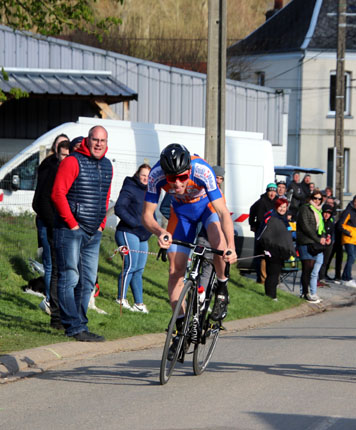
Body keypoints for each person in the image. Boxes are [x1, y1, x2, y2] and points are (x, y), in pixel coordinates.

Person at [141, 144, 237, 336]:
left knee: (218, 245)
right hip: (182, 214)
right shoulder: (156, 174)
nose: (177, 184)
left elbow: (223, 212)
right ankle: (180, 323)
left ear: (189, 171)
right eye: (171, 179)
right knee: (174, 270)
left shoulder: (202, 170)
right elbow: (147, 215)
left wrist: (231, 246)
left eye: (182, 178)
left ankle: (221, 287)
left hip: (207, 208)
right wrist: (160, 232)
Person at [51, 126, 113, 342]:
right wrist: (72, 224)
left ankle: (81, 325)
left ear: (107, 143)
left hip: (93, 232)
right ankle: (73, 327)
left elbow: (105, 197)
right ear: (87, 140)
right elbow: (57, 193)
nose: (98, 144)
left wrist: (101, 224)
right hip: (71, 230)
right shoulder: (72, 161)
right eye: (95, 139)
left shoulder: (107, 166)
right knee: (70, 277)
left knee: (87, 281)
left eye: (102, 141)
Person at [32, 134, 69, 330]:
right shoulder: (50, 168)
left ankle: (59, 308)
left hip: (57, 224)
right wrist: (54, 223)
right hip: (50, 224)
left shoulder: (62, 168)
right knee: (52, 266)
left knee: (59, 268)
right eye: (61, 153)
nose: (64, 158)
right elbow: (41, 201)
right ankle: (51, 304)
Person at [114, 163, 152, 314]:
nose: (145, 178)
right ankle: (121, 298)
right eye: (143, 175)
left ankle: (139, 303)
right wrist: (134, 223)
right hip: (128, 231)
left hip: (143, 235)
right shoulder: (130, 187)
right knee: (130, 265)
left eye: (148, 176)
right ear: (137, 174)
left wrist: (151, 229)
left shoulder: (151, 192)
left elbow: (152, 214)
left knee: (139, 269)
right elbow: (119, 208)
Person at [257, 196, 295, 300]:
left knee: (275, 274)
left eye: (284, 207)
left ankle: (272, 295)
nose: (282, 209)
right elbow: (265, 236)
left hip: (280, 252)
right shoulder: (273, 219)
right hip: (273, 251)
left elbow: (286, 236)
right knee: (272, 275)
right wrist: (267, 250)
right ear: (276, 206)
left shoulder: (284, 220)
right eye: (280, 207)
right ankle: (271, 296)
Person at [296, 190, 329, 303]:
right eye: (315, 198)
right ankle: (304, 293)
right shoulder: (305, 208)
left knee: (311, 270)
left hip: (314, 243)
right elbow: (306, 227)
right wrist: (318, 239)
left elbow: (321, 226)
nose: (317, 200)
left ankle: (308, 292)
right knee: (306, 268)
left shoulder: (319, 211)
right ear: (311, 197)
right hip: (305, 242)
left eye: (320, 199)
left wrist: (323, 237)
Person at [249, 182, 278, 283]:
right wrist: (252, 224)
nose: (272, 194)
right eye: (270, 191)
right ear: (267, 192)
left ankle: (272, 278)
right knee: (262, 254)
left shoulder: (277, 202)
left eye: (274, 192)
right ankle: (262, 279)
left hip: (274, 232)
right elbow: (255, 212)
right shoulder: (261, 202)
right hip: (262, 231)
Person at [335, 195, 356, 288]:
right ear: (353, 201)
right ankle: (347, 278)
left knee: (352, 258)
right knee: (352, 257)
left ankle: (344, 277)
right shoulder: (348, 211)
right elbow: (340, 225)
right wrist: (348, 233)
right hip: (349, 238)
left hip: (355, 239)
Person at [318, 203, 336, 282]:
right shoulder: (319, 221)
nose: (326, 215)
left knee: (325, 261)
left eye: (328, 213)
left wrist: (330, 240)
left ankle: (322, 277)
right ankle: (318, 277)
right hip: (319, 244)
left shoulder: (331, 222)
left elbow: (332, 233)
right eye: (325, 213)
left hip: (328, 245)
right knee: (318, 261)